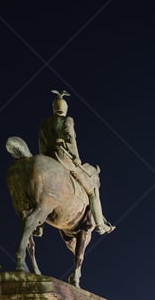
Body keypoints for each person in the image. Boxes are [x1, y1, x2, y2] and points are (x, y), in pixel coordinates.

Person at [39, 90, 115, 234]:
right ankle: (100, 225)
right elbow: (70, 138)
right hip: (64, 158)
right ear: (64, 109)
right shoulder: (67, 120)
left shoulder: (44, 123)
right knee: (93, 192)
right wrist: (75, 156)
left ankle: (39, 225)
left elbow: (41, 145)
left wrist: (45, 159)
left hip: (47, 158)